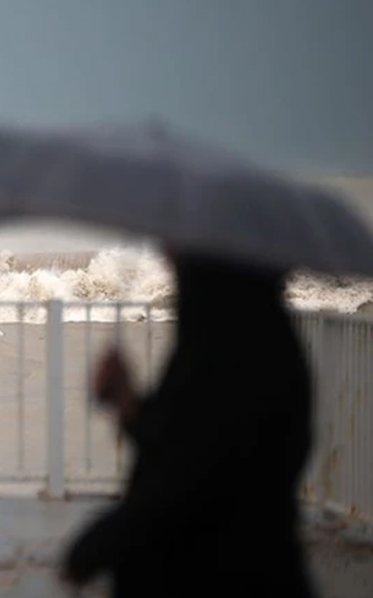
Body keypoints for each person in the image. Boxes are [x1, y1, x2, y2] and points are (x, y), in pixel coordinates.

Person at [59, 250, 318, 597]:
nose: (169, 260)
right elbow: (182, 433)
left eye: (180, 256)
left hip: (218, 576)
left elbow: (190, 477)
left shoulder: (230, 352)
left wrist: (97, 546)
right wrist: (127, 401)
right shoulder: (253, 340)